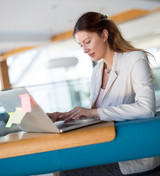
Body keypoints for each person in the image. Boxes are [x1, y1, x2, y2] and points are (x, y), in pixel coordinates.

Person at [48, 12, 160, 176]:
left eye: (88, 42)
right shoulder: (96, 72)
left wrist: (93, 112)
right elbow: (98, 114)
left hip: (132, 155)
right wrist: (64, 115)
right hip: (108, 147)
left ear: (104, 34)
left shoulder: (135, 59)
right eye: (81, 45)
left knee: (67, 172)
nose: (85, 50)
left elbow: (146, 108)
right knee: (61, 166)